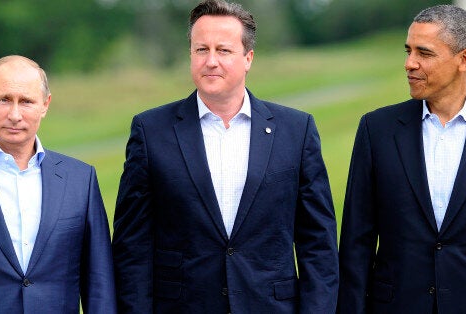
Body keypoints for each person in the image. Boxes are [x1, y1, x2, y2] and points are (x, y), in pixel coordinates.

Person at [112, 0, 339, 313]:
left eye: (224, 50)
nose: (211, 61)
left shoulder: (296, 130)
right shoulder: (151, 132)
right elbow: (131, 246)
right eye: (201, 49)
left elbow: (318, 243)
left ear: (248, 58)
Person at [337, 4, 466, 313]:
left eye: (425, 53)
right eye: (408, 51)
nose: (410, 63)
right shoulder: (376, 130)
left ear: (465, 59)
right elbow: (357, 242)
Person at [0, 55, 116, 313]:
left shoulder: (81, 180)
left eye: (26, 101)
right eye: (4, 99)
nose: (15, 114)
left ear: (45, 105)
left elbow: (99, 283)